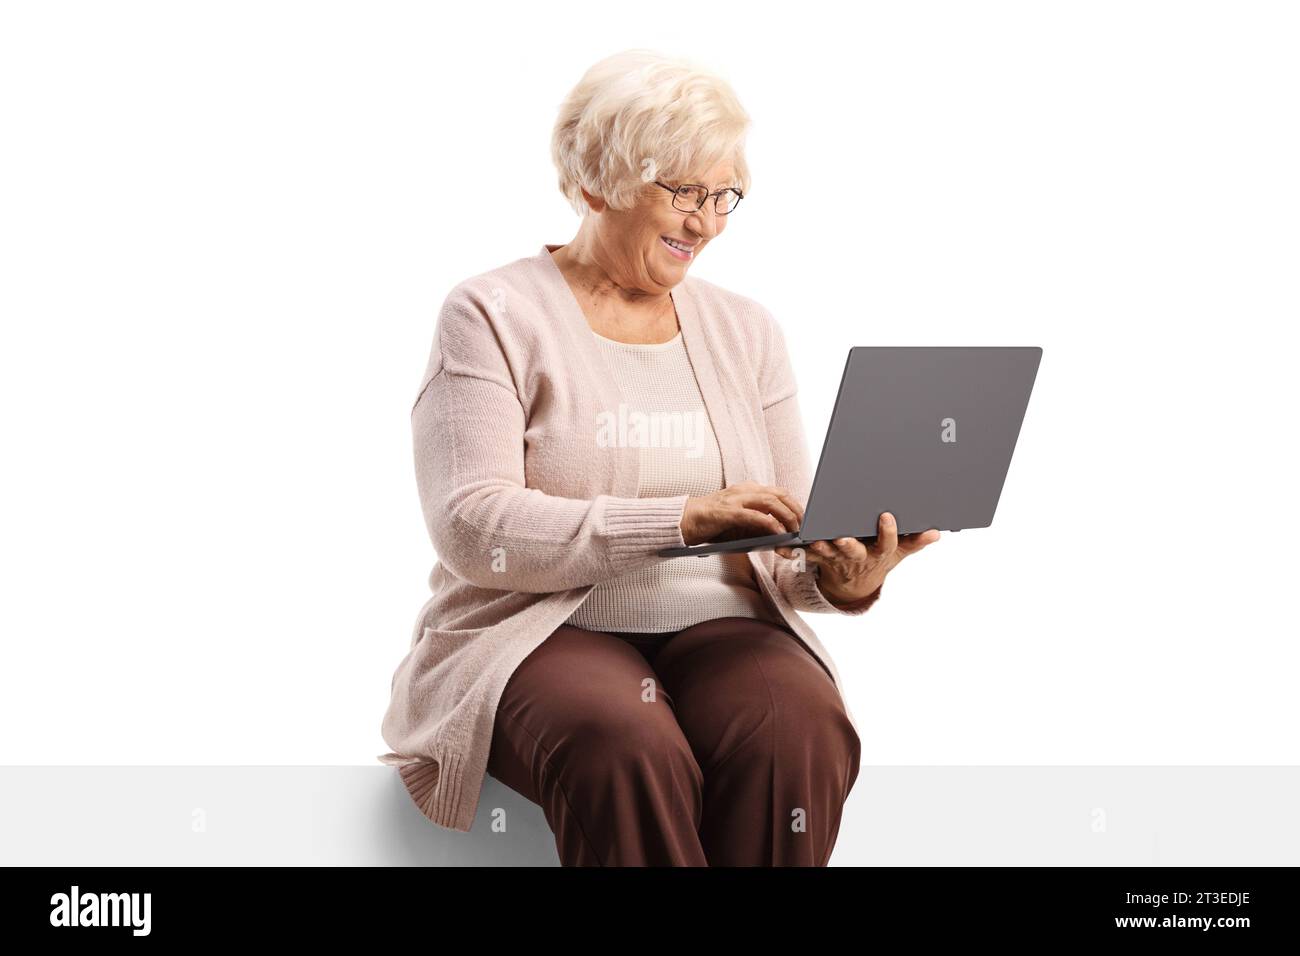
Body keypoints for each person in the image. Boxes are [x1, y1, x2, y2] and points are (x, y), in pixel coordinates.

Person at [379, 48, 939, 866]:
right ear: (597, 181)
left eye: (723, 196)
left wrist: (840, 579)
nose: (706, 222)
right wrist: (678, 520)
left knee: (798, 729)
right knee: (623, 738)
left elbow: (783, 547)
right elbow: (472, 526)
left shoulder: (747, 332)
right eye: (681, 192)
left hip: (718, 625)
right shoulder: (493, 314)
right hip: (544, 626)